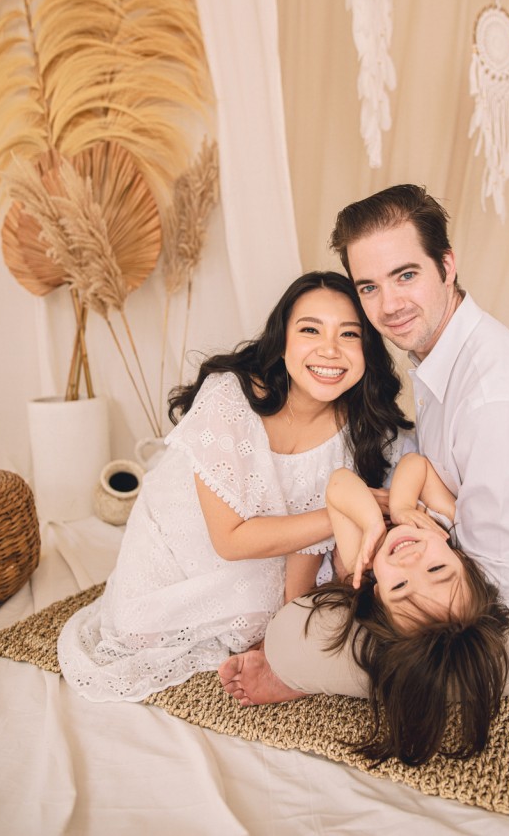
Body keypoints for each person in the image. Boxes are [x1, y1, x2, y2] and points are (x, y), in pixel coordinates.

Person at [219, 184, 509, 765]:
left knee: (294, 639)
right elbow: (418, 475)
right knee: (312, 603)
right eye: (369, 286)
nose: (388, 304)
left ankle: (308, 670)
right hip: (447, 560)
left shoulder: (496, 402)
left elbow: (492, 584)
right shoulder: (442, 352)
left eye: (406, 275)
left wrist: (377, 597)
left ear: (447, 266)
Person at [57, 270, 412, 702]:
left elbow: (307, 548)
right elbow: (229, 540)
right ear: (282, 342)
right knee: (138, 630)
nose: (330, 350)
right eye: (310, 330)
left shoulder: (354, 430)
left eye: (349, 334)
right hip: (184, 542)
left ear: (367, 348)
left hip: (275, 548)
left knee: (299, 616)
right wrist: (341, 511)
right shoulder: (229, 395)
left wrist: (283, 638)